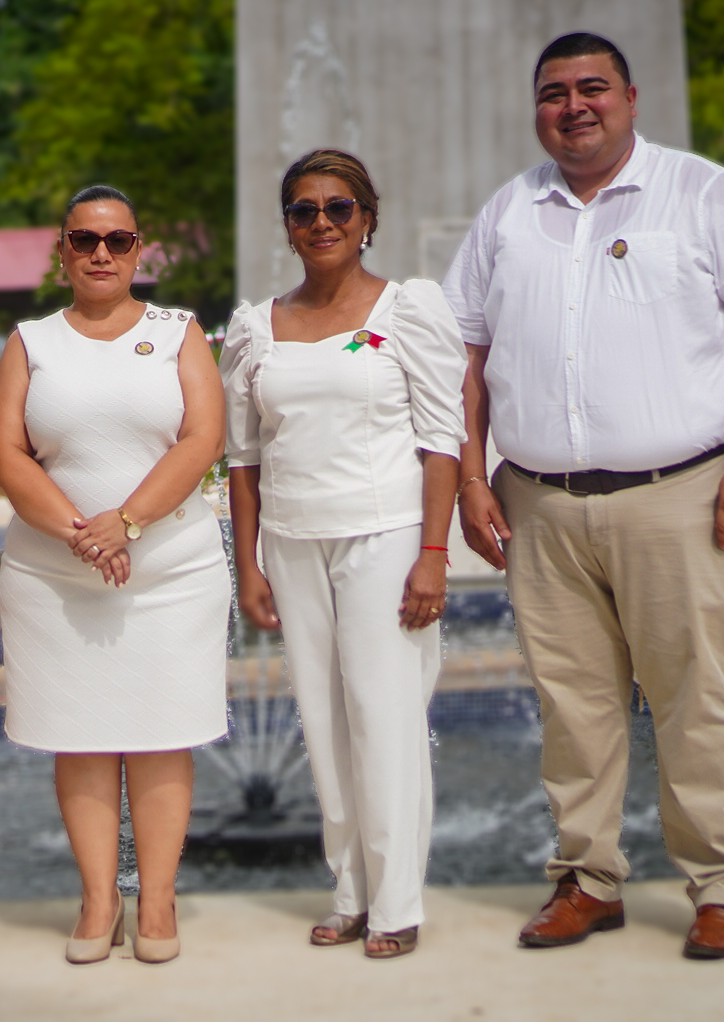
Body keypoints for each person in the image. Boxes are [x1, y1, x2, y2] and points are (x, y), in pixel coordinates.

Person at [447, 32, 724, 961]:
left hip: (680, 496)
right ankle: (588, 878)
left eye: (592, 88)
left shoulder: (702, 194)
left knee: (697, 696)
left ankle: (722, 885)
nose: (574, 106)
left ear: (631, 98)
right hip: (540, 504)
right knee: (572, 703)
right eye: (554, 92)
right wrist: (472, 479)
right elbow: (466, 355)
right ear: (537, 110)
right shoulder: (508, 214)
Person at [222, 150, 466, 960]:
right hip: (293, 542)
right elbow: (244, 459)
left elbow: (442, 439)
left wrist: (434, 552)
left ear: (367, 219)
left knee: (385, 717)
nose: (321, 222)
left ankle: (397, 905)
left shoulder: (408, 309)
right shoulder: (257, 326)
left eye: (338, 208)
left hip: (386, 535)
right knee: (322, 724)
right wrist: (249, 564)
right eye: (303, 210)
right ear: (286, 225)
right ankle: (351, 893)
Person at [0, 185, 230, 966]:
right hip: (54, 575)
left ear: (139, 250)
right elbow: (7, 453)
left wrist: (123, 524)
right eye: (85, 240)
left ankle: (156, 901)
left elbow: (202, 439)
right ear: (63, 250)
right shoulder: (31, 339)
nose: (101, 253)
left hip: (171, 571)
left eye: (117, 240)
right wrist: (81, 536)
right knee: (80, 737)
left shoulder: (178, 331)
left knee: (162, 736)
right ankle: (98, 899)